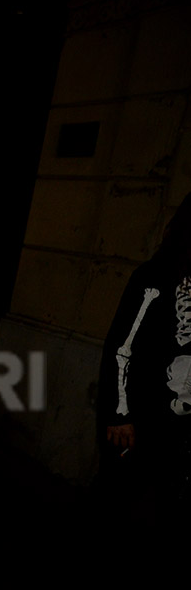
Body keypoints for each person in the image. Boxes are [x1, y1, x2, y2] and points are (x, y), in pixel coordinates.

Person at [94, 191, 191, 582]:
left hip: (181, 431)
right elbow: (121, 348)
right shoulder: (154, 278)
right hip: (143, 420)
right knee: (120, 509)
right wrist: (120, 413)